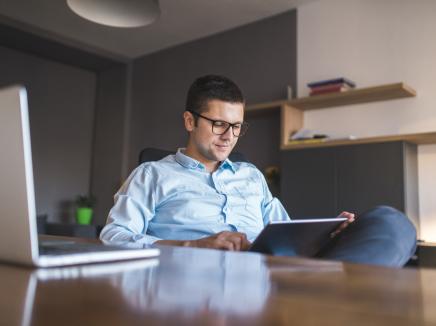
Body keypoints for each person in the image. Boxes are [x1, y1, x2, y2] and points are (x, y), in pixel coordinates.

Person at [100, 75, 416, 267]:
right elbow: (113, 236)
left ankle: (330, 288)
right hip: (200, 273)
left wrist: (327, 233)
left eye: (237, 127)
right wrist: (193, 246)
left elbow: (286, 231)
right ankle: (332, 293)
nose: (229, 136)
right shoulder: (151, 174)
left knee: (391, 221)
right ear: (189, 121)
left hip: (271, 268)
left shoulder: (250, 175)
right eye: (219, 124)